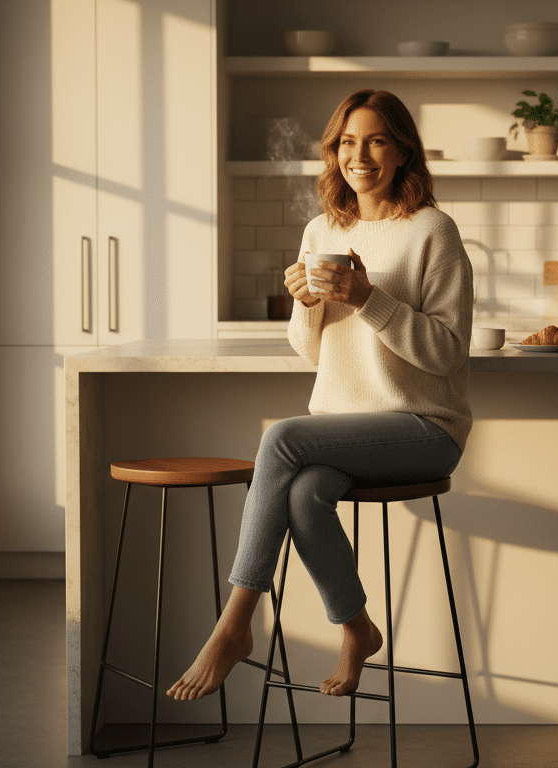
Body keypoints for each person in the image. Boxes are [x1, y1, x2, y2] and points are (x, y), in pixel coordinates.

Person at [167, 90, 473, 701]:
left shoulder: (433, 231)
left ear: (403, 152)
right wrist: (306, 304)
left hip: (423, 429)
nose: (361, 155)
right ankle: (359, 630)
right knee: (305, 496)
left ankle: (234, 626)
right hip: (343, 429)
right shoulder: (322, 230)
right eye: (348, 142)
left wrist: (366, 298)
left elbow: (447, 353)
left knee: (281, 438)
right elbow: (312, 353)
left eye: (377, 141)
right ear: (334, 153)